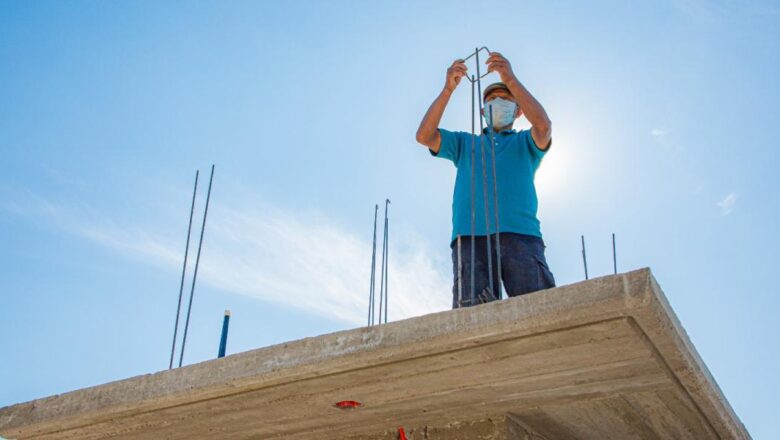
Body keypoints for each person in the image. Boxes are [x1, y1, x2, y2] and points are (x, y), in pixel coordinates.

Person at [415, 51, 555, 308]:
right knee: (472, 320)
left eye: (505, 99)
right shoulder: (464, 143)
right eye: (491, 99)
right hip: (470, 237)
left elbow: (544, 127)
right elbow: (424, 136)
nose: (498, 102)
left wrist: (510, 78)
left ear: (518, 111)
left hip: (521, 236)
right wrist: (447, 90)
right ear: (482, 111)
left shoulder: (525, 143)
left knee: (540, 311)